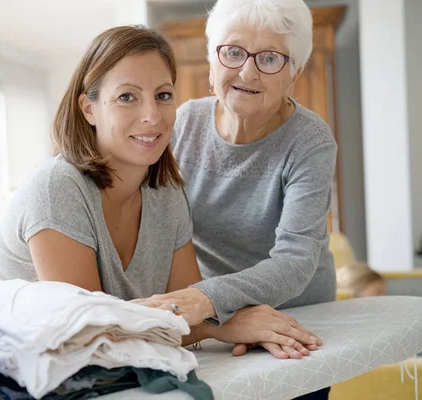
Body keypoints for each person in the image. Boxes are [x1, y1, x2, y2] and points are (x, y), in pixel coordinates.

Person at [0, 25, 320, 358]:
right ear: (89, 109)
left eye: (163, 96)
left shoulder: (166, 192)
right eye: (127, 97)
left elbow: (184, 310)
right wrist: (220, 325)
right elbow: (90, 334)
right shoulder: (57, 189)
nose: (151, 115)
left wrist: (227, 321)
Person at [132, 1, 337, 397]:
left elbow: (295, 261)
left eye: (270, 58)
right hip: (218, 315)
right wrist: (211, 310)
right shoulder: (183, 124)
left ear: (294, 73)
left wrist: (202, 299)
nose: (247, 71)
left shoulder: (310, 141)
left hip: (294, 313)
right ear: (212, 62)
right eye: (233, 52)